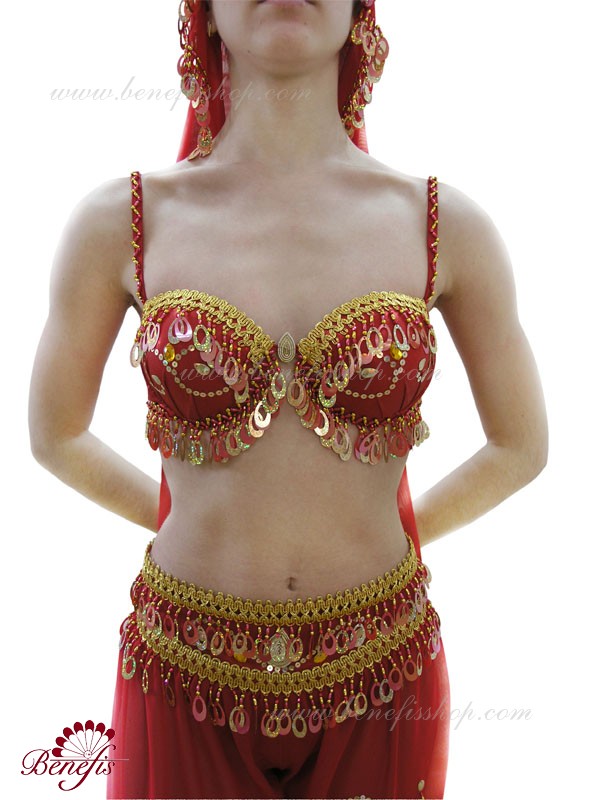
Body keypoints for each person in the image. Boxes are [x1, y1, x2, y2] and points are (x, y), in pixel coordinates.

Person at [28, 1, 548, 798]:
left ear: (361, 10)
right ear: (201, 12)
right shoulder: (123, 221)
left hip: (382, 668)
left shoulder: (444, 225)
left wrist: (400, 540)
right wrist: (177, 519)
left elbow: (521, 445)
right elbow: (55, 433)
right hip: (183, 669)